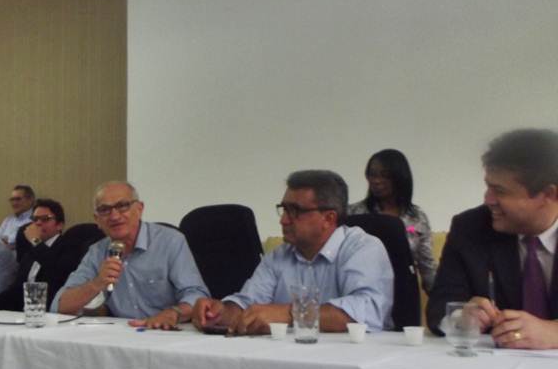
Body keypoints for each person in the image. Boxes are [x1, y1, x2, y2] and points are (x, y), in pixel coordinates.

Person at [193, 170, 394, 335]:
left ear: (328, 218)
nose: (283, 220)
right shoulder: (279, 255)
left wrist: (290, 313)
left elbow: (367, 310)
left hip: (355, 358)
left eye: (294, 211)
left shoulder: (363, 248)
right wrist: (219, 312)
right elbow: (248, 303)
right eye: (283, 209)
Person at [427, 129, 558, 349]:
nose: (488, 200)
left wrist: (553, 332)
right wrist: (461, 317)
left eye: (500, 191)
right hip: (492, 366)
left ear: (548, 194)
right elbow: (440, 306)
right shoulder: (470, 228)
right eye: (488, 186)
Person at [53, 181, 210, 329]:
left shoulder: (170, 241)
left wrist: (173, 313)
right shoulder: (97, 252)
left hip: (166, 331)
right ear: (97, 220)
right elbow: (60, 306)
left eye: (122, 206)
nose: (114, 216)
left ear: (139, 209)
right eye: (105, 210)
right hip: (122, 333)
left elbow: (197, 295)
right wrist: (96, 283)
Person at [348, 149, 437, 292]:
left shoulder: (417, 218)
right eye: (372, 174)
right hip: (361, 290)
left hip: (403, 289)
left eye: (385, 175)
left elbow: (427, 266)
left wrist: (443, 298)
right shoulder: (353, 213)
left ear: (400, 178)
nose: (376, 181)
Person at [0, 199, 93, 311]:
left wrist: (36, 241)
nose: (38, 223)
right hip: (25, 314)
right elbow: (18, 290)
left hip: (53, 313)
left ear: (59, 225)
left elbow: (56, 274)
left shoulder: (70, 246)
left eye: (45, 219)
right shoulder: (31, 252)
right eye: (35, 219)